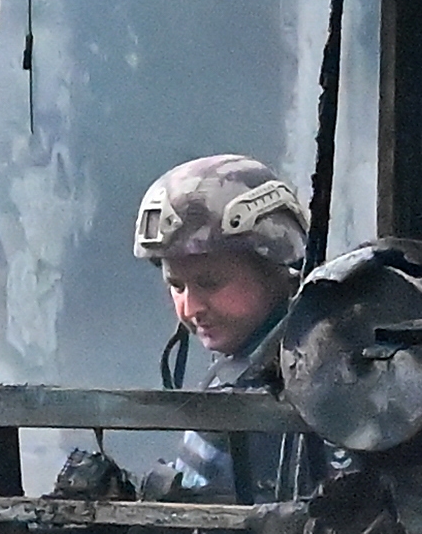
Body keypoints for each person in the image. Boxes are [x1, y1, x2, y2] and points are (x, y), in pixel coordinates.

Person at [136, 150, 325, 507]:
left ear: (277, 266)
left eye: (210, 283)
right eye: (177, 286)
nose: (190, 309)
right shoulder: (243, 371)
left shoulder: (325, 382)